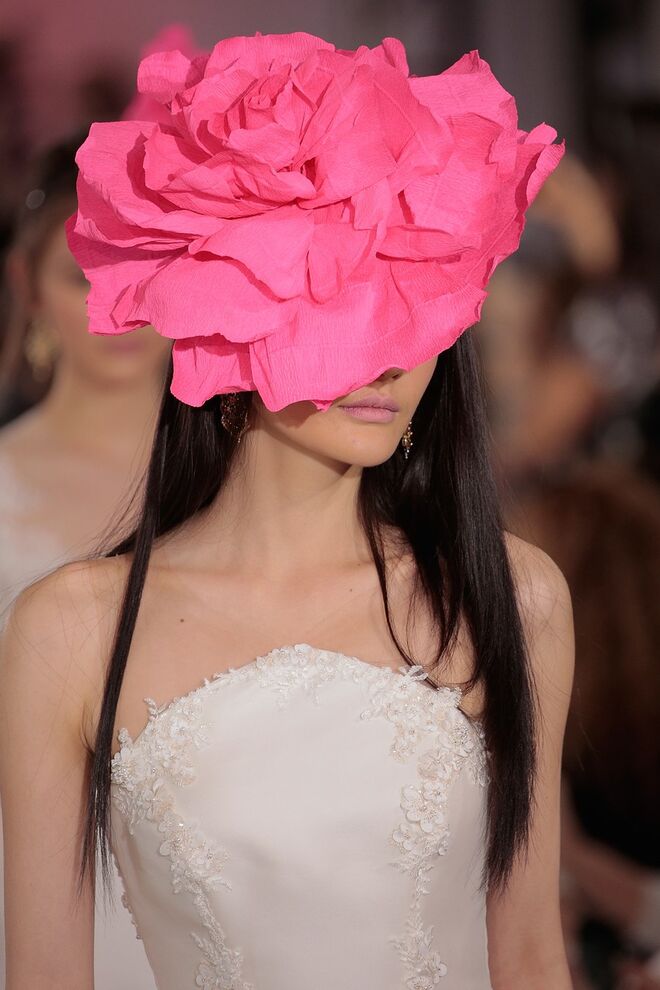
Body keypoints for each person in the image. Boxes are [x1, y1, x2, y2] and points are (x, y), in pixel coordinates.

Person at [0, 33, 575, 989]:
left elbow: (531, 959)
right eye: (342, 289)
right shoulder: (71, 630)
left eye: (416, 294)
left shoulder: (513, 595)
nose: (390, 354)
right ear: (229, 305)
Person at [0, 136, 168, 988]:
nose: (120, 308)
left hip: (212, 861)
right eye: (84, 277)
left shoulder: (261, 479)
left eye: (146, 271)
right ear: (29, 288)